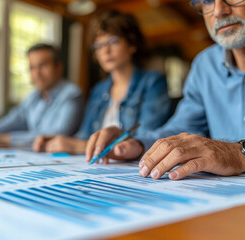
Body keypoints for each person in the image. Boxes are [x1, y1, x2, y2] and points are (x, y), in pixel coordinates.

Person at [85, 0, 245, 177]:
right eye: (207, 1)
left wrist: (242, 153)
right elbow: (181, 130)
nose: (219, 10)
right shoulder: (204, 65)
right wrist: (136, 144)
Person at [32, 10, 171, 158]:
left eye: (113, 41)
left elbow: (146, 139)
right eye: (98, 45)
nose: (105, 50)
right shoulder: (99, 89)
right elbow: (85, 134)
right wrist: (59, 140)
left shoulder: (153, 82)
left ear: (132, 45)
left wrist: (82, 146)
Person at [0, 43, 83, 147]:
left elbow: (53, 137)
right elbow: (13, 119)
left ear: (58, 67)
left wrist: (0, 138)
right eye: (32, 67)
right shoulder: (33, 97)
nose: (37, 73)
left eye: (43, 65)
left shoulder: (72, 95)